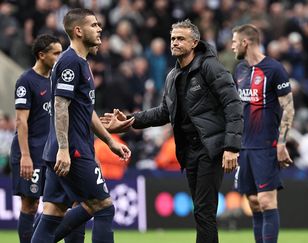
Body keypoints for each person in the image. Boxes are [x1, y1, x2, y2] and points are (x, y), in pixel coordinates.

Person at [102, 19, 243, 243]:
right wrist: (129, 120)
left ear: (194, 42)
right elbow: (163, 113)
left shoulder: (210, 66)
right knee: (201, 210)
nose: (175, 43)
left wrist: (232, 147)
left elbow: (234, 104)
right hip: (189, 151)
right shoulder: (172, 76)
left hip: (209, 147)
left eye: (180, 39)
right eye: (173, 39)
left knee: (204, 211)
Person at [31, 8, 132, 243]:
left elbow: (86, 110)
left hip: (65, 148)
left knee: (53, 214)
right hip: (72, 149)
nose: (99, 29)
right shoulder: (70, 62)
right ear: (78, 31)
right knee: (103, 207)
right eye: (94, 25)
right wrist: (65, 149)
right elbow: (60, 105)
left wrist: (109, 141)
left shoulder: (81, 63)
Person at [231, 24, 294, 243]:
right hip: (244, 147)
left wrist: (281, 142)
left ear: (244, 42)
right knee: (254, 203)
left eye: (234, 42)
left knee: (267, 201)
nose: (231, 47)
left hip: (266, 145)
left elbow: (289, 107)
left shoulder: (274, 69)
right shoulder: (239, 70)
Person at [9, 34, 62, 243]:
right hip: (30, 152)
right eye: (55, 53)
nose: (59, 57)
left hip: (51, 153)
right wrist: (25, 156)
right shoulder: (26, 81)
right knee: (30, 204)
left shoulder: (56, 81)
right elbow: (21, 122)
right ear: (42, 55)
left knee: (55, 205)